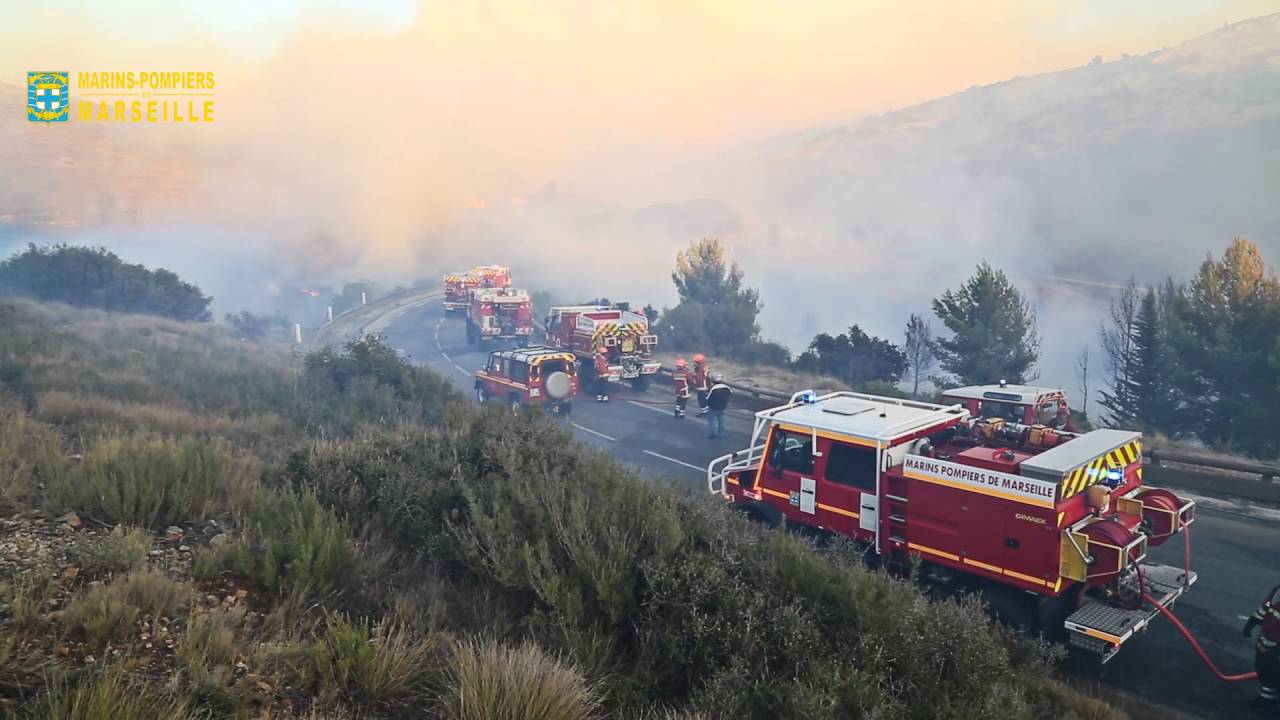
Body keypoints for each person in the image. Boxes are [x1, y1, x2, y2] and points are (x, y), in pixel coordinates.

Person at [1245, 582, 1280, 716]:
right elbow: (1266, 607)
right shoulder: (1278, 591)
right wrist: (1253, 622)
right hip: (1266, 646)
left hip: (1276, 648)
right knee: (1266, 674)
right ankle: (1265, 701)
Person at [706, 372, 731, 439]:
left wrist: (706, 404)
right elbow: (730, 394)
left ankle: (713, 433)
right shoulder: (727, 387)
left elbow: (707, 398)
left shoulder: (712, 388)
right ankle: (721, 433)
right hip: (723, 406)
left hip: (713, 407)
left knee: (712, 421)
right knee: (721, 420)